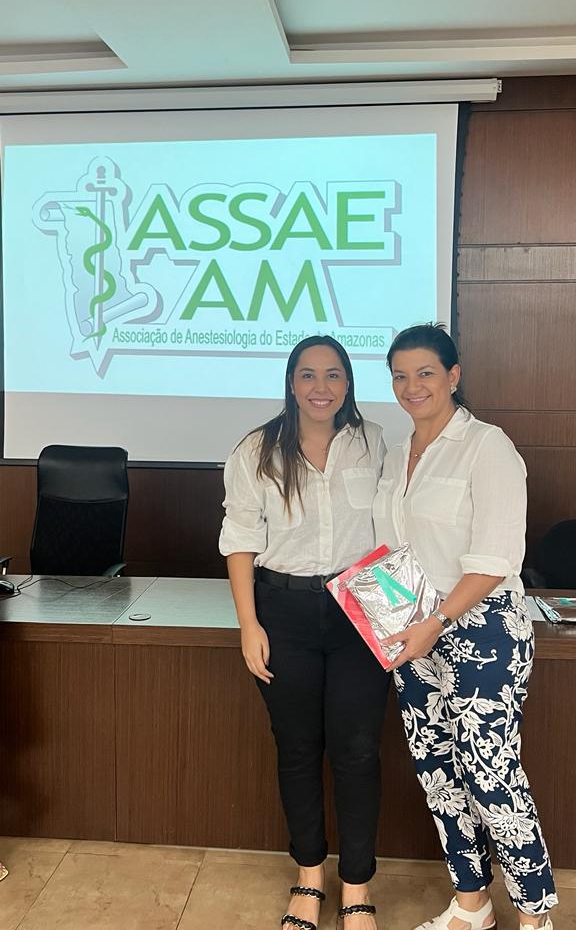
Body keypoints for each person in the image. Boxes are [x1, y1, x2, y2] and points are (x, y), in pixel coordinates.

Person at [374, 323, 558, 930]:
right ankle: (472, 904)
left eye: (425, 373)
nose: (412, 386)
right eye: (400, 376)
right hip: (413, 631)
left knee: (491, 775)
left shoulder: (487, 446)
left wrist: (436, 621)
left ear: (453, 376)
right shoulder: (396, 453)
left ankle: (533, 913)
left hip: (483, 630)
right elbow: (392, 550)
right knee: (439, 773)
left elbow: (496, 556)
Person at [220, 335, 389, 930]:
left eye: (334, 374)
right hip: (282, 611)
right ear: (291, 382)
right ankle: (310, 876)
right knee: (296, 749)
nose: (322, 387)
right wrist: (249, 624)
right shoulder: (256, 449)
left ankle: (356, 885)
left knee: (358, 751)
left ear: (348, 382)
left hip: (358, 609)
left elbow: (392, 530)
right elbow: (240, 539)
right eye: (309, 375)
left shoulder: (373, 442)